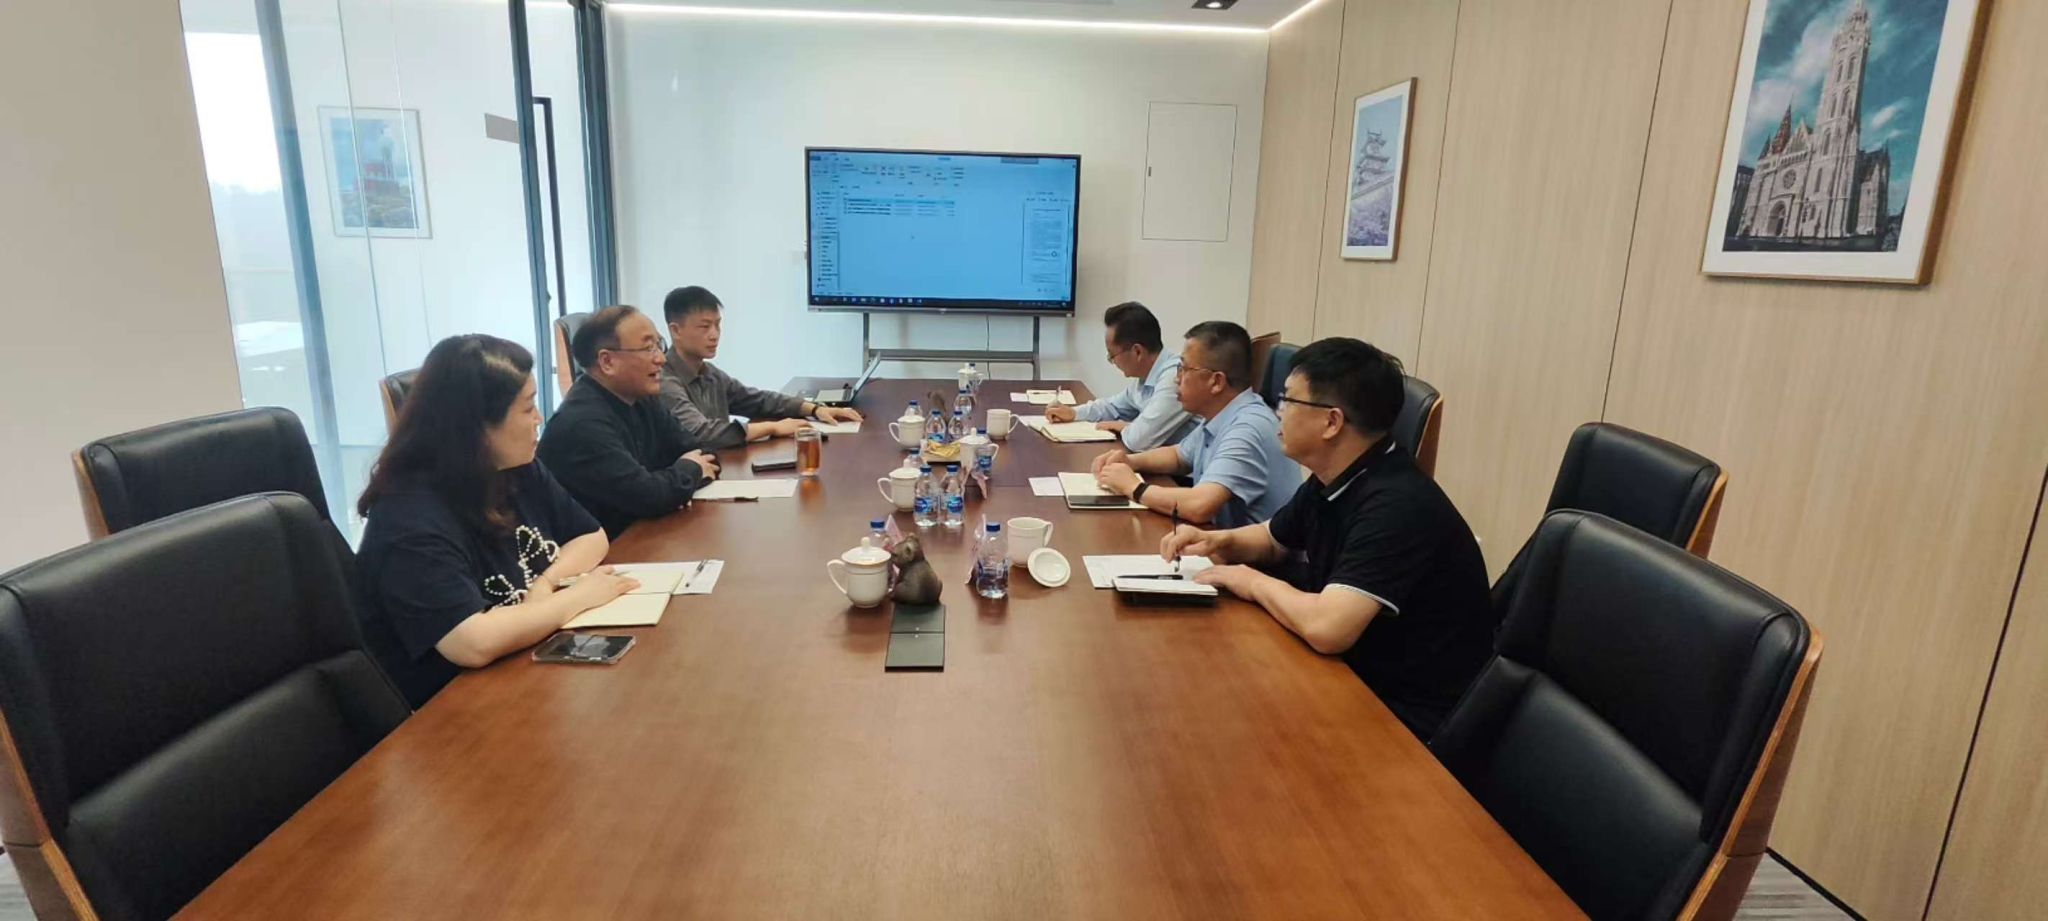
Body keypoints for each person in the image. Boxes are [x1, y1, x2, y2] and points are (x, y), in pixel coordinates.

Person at [1159, 338, 1491, 739]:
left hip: (1403, 718)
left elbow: (1328, 627)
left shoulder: (1397, 505)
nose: (1277, 411)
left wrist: (1249, 581)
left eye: (1288, 400)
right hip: (1350, 674)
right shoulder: (1336, 475)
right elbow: (1274, 539)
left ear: (1332, 422)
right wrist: (1219, 542)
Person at [356, 334, 640, 707]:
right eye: (528, 408)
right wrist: (574, 598)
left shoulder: (517, 468)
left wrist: (546, 583)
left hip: (528, 674)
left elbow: (591, 536)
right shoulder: (407, 516)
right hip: (456, 710)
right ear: (476, 426)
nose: (539, 419)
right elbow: (472, 642)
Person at [1088, 321, 1299, 528]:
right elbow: (1179, 456)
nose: (1176, 379)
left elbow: (1200, 505)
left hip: (1254, 551)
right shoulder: (1222, 414)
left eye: (1184, 369)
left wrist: (1134, 487)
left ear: (1216, 382)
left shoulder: (1247, 429)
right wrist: (1130, 461)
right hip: (1220, 538)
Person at [538, 305, 721, 536]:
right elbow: (649, 497)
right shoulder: (581, 424)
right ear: (607, 362)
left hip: (644, 536)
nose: (661, 359)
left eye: (659, 345)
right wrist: (688, 472)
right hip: (605, 551)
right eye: (648, 348)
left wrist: (675, 484)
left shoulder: (641, 399)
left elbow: (703, 452)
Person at [659, 285, 863, 449]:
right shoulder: (663, 380)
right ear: (676, 331)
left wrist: (815, 409)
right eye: (704, 327)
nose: (715, 334)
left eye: (717, 325)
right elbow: (702, 433)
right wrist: (773, 428)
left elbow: (758, 400)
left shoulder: (709, 374)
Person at [1045, 301, 1196, 451]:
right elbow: (1112, 407)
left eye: (1112, 355)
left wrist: (1123, 426)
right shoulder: (1146, 377)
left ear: (1137, 352)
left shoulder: (1175, 377)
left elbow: (1140, 440)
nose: (1112, 361)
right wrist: (1073, 413)